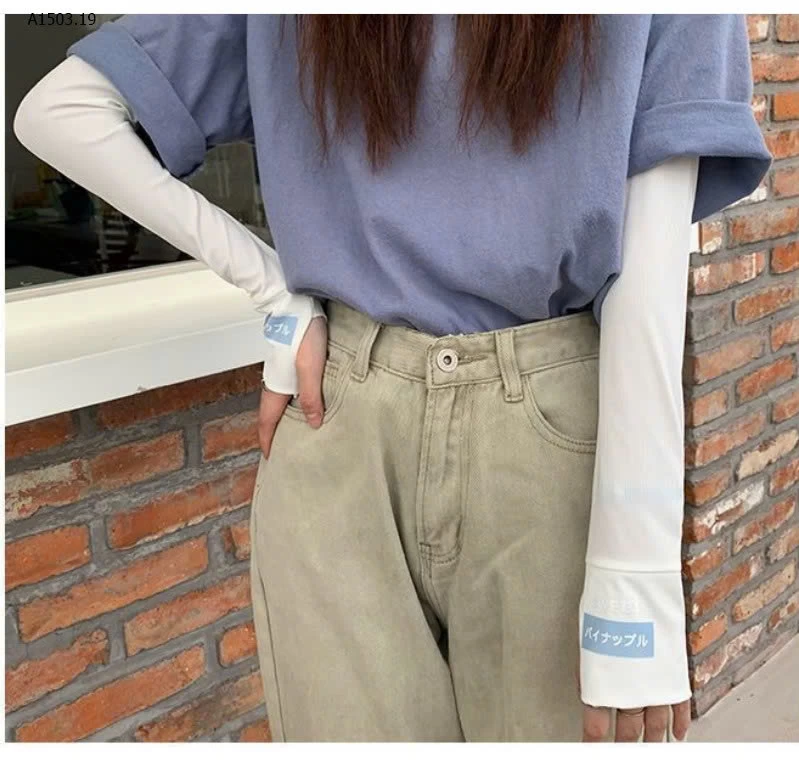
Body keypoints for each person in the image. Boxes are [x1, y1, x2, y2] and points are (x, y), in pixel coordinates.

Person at [14, 14, 772, 742]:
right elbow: (646, 292)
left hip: (343, 428)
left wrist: (275, 293)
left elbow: (64, 111)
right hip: (536, 440)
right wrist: (632, 579)